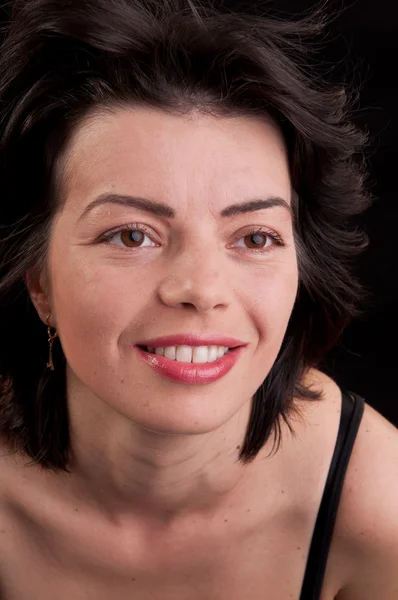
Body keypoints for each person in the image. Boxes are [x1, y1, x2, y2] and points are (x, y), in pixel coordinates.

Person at [0, 0, 397, 598]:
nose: (202, 290)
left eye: (255, 237)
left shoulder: (380, 511)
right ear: (39, 282)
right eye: (132, 235)